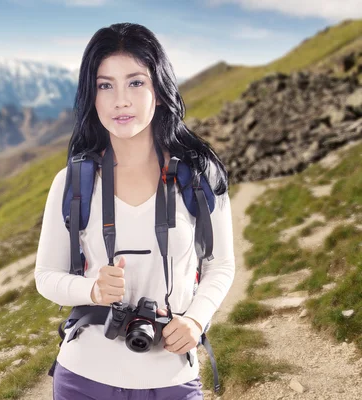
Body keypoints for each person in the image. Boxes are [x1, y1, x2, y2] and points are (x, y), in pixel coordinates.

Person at [34, 22, 235, 400]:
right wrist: (92, 289)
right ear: (91, 97)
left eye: (136, 82)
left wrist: (195, 319)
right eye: (105, 85)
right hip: (83, 378)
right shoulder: (72, 181)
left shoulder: (199, 174)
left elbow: (221, 264)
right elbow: (46, 275)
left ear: (159, 90)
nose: (120, 100)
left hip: (172, 379)